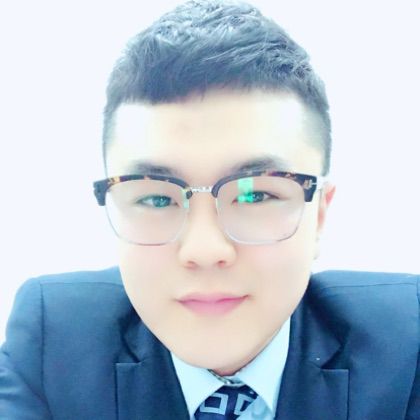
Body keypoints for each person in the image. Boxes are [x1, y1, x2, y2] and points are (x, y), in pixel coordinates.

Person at [1, 0, 419, 418]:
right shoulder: (52, 342)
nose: (204, 250)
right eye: (156, 199)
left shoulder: (408, 343)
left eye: (256, 196)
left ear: (320, 216)